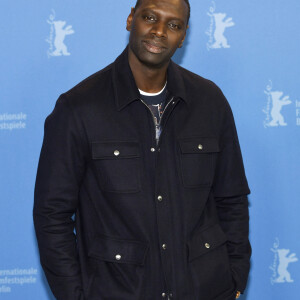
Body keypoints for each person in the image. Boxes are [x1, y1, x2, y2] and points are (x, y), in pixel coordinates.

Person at [33, 0, 251, 299]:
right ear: (130, 20)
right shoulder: (79, 108)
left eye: (173, 25)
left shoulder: (209, 102)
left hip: (205, 288)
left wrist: (235, 278)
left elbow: (232, 198)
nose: (159, 31)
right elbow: (52, 215)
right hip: (118, 289)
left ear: (183, 36)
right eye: (150, 17)